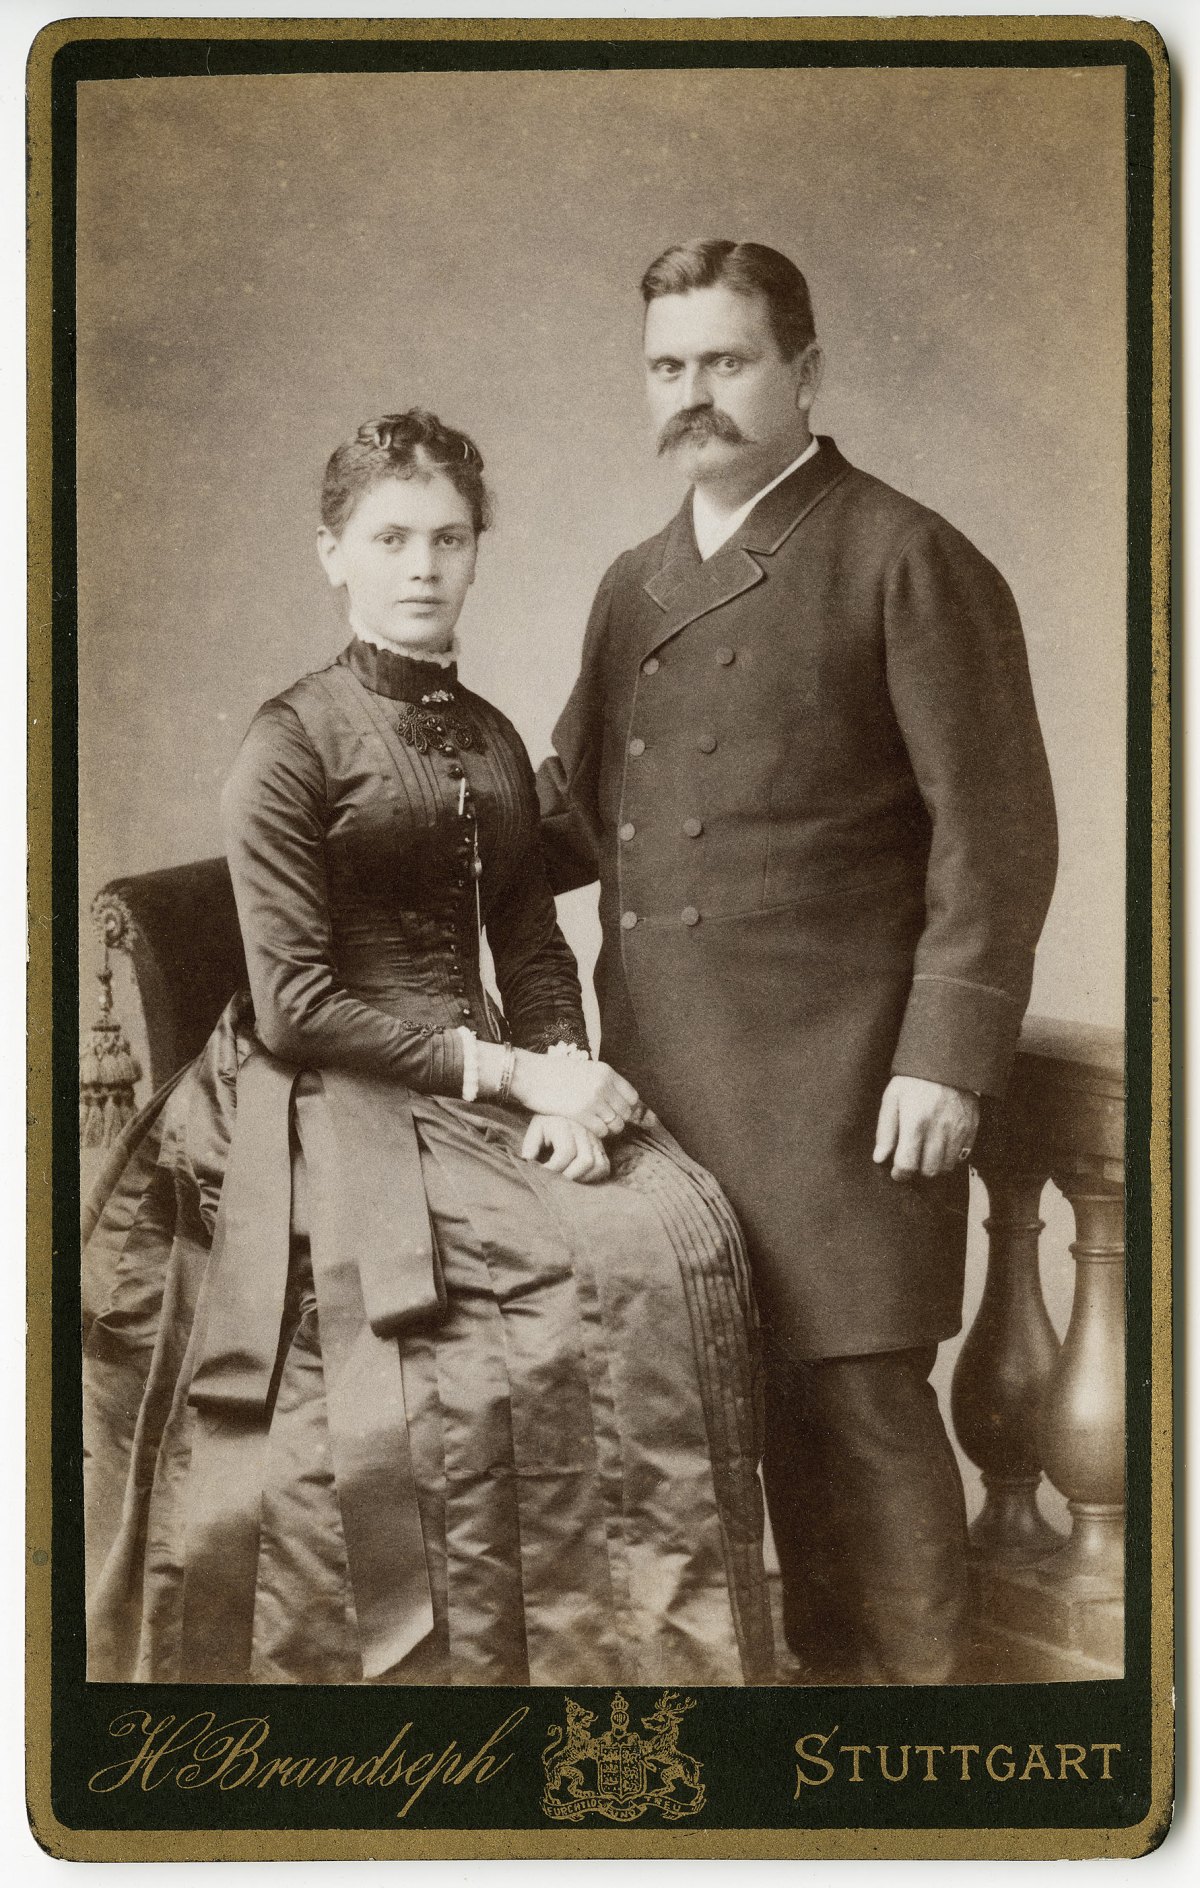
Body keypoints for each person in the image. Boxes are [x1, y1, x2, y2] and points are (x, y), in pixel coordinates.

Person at [82, 408, 774, 1688]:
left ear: (475, 554)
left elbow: (530, 940)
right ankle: (464, 1655)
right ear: (331, 553)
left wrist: (567, 1081)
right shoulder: (287, 741)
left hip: (481, 1076)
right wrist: (510, 1072)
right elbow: (293, 1002)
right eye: (390, 538)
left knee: (667, 1224)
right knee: (526, 1278)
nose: (422, 568)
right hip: (316, 1091)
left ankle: (605, 1653)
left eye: (448, 539)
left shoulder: (494, 736)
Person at [538, 241, 1058, 1685]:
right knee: (730, 1420)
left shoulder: (903, 552)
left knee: (867, 1411)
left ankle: (926, 1760)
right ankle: (816, 1745)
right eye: (668, 366)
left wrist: (946, 1057)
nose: (693, 394)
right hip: (671, 1081)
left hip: (843, 1087)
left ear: (805, 371)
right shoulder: (637, 579)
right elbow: (572, 812)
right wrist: (382, 815)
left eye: (727, 360)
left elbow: (998, 834)